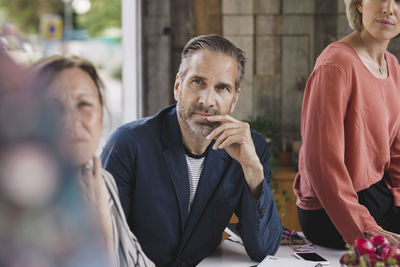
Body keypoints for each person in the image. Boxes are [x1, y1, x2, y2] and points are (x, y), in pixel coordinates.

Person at [101, 34, 282, 266]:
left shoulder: (250, 148)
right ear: (178, 86)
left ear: (234, 99)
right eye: (198, 82)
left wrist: (252, 169)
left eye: (222, 88)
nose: (207, 100)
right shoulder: (128, 144)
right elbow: (102, 245)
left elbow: (264, 248)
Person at [293, 0, 400, 249]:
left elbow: (396, 152)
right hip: (330, 208)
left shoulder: (393, 66)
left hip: (376, 194)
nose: (388, 8)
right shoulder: (335, 64)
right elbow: (322, 163)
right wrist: (365, 229)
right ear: (360, 3)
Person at [32, 55, 154, 267]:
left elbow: (136, 262)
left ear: (101, 116)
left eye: (84, 104)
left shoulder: (100, 179)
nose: (71, 121)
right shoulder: (19, 201)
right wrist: (102, 234)